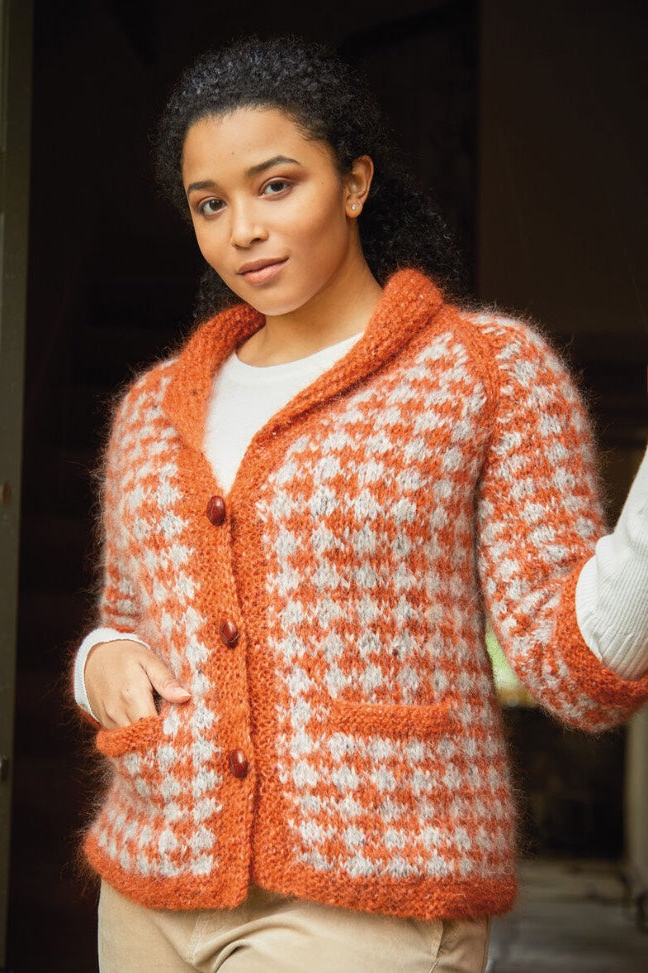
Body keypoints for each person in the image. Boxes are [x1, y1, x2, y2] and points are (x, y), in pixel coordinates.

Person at [71, 36, 648, 973]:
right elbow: (128, 621)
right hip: (149, 883)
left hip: (370, 895)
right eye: (209, 205)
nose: (242, 230)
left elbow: (569, 670)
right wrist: (99, 660)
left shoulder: (482, 371)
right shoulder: (151, 406)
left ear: (354, 182)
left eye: (276, 184)